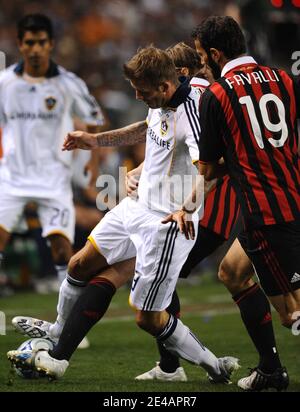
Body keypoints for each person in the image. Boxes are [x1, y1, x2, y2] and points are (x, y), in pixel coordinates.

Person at [8, 46, 240, 383]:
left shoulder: (194, 116)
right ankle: (59, 331)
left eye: (142, 91)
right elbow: (145, 127)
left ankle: (214, 366)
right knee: (78, 263)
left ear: (165, 85)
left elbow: (213, 168)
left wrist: (187, 208)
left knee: (148, 318)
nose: (137, 95)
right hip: (135, 206)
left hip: (164, 224)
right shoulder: (161, 101)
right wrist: (95, 140)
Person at [182, 16, 300, 391]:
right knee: (232, 272)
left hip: (267, 216)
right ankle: (271, 369)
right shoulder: (284, 79)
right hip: (290, 199)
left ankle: (274, 372)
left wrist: (185, 208)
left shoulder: (216, 96)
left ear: (216, 54)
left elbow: (209, 169)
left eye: (202, 58)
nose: (203, 66)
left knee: (292, 313)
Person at [0, 14, 104, 293]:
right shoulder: (4, 83)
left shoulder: (69, 84)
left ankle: (67, 325)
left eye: (41, 42)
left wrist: (92, 165)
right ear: (20, 44)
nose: (35, 49)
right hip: (11, 178)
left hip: (53, 181)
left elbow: (93, 120)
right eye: (30, 42)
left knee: (62, 251)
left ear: (51, 44)